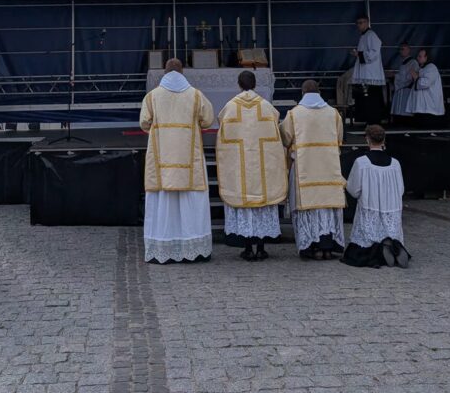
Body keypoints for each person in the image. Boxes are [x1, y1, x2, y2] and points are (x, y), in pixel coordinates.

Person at [139, 58, 214, 263]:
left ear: (165, 72)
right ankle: (194, 248)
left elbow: (144, 123)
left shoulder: (152, 96)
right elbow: (208, 120)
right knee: (190, 202)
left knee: (164, 202)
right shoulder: (196, 95)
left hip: (162, 157)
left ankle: (163, 246)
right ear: (182, 72)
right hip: (189, 158)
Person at [216, 71, 287, 261]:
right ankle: (261, 248)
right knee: (261, 204)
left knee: (245, 204)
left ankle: (248, 248)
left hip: (240, 166)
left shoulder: (230, 107)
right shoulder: (267, 107)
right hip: (262, 164)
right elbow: (277, 126)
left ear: (239, 84)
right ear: (255, 84)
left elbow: (221, 125)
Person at [280, 79, 346, 260]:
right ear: (319, 92)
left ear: (302, 93)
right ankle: (328, 245)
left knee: (308, 209)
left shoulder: (294, 115)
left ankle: (311, 247)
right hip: (328, 169)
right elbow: (340, 138)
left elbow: (286, 138)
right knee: (327, 208)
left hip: (304, 169)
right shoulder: (333, 114)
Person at [343, 124, 411, 268]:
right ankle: (394, 247)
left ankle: (377, 251)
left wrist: (344, 183)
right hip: (391, 209)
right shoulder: (395, 163)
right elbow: (401, 190)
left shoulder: (362, 162)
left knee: (364, 243)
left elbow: (354, 190)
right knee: (390, 232)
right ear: (384, 140)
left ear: (367, 139)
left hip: (370, 207)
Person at [351, 15, 386, 124]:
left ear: (367, 22)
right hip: (366, 74)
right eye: (358, 23)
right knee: (367, 99)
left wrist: (359, 54)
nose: (359, 25)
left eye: (362, 22)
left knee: (373, 100)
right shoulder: (363, 36)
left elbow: (374, 52)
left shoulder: (371, 35)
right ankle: (369, 120)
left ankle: (374, 121)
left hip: (372, 75)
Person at [407, 48, 445, 127]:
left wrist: (416, 77)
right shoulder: (422, 68)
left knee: (427, 125)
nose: (418, 58)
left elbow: (426, 83)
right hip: (421, 107)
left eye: (420, 56)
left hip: (429, 107)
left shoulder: (431, 68)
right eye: (418, 56)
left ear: (426, 57)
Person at [390, 42, 415, 123]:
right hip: (401, 89)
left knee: (405, 109)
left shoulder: (413, 62)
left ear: (408, 50)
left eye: (403, 49)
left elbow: (409, 78)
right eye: (400, 49)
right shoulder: (403, 63)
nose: (401, 51)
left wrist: (396, 76)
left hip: (407, 90)